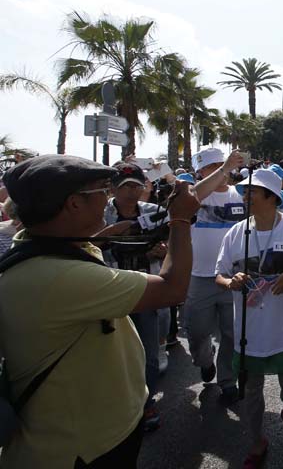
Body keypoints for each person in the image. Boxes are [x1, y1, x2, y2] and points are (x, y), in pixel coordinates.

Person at [0, 155, 199, 468]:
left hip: (92, 433)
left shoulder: (40, 247)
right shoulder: (62, 277)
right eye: (101, 192)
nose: (108, 199)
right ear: (74, 205)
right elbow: (172, 288)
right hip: (86, 448)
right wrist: (180, 220)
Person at [214, 168, 283, 468]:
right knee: (251, 389)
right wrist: (230, 282)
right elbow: (218, 274)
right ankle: (257, 440)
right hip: (248, 331)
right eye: (245, 191)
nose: (245, 197)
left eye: (252, 192)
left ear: (271, 197)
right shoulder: (236, 233)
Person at [102, 163, 170, 431]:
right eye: (124, 187)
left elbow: (173, 243)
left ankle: (146, 401)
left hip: (144, 291)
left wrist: (163, 251)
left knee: (148, 353)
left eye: (136, 186)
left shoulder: (156, 213)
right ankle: (117, 404)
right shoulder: (99, 214)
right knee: (111, 354)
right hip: (109, 293)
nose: (131, 192)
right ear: (113, 189)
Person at [184, 147, 246, 404]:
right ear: (200, 172)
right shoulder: (192, 195)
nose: (220, 171)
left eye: (222, 165)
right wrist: (222, 170)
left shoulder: (240, 195)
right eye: (212, 168)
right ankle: (204, 359)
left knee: (232, 334)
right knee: (197, 332)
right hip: (199, 277)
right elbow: (193, 196)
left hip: (232, 277)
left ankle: (227, 381)